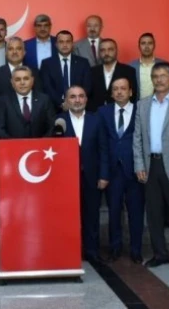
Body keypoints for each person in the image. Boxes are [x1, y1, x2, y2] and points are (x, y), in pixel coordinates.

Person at [133, 62, 169, 272]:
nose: (159, 80)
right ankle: (160, 254)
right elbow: (137, 138)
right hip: (150, 165)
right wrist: (139, 164)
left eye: (163, 76)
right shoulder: (142, 105)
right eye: (155, 76)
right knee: (154, 214)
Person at [58, 86, 108, 266]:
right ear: (66, 101)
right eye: (72, 97)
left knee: (92, 215)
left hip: (92, 177)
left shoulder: (96, 120)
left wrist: (104, 175)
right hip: (66, 179)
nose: (77, 100)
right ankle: (68, 251)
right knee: (67, 216)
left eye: (81, 96)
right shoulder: (59, 121)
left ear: (86, 99)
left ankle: (92, 251)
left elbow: (103, 149)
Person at [99, 77, 145, 264]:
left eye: (123, 88)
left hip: (135, 170)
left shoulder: (140, 110)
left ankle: (136, 250)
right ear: (111, 93)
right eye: (115, 89)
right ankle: (115, 248)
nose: (119, 92)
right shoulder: (103, 112)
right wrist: (103, 172)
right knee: (114, 212)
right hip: (112, 171)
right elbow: (102, 143)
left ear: (130, 92)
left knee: (136, 212)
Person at [0, 66, 56, 139]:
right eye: (17, 79)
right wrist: (14, 144)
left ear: (32, 80)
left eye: (26, 79)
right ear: (12, 82)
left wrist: (41, 143)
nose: (22, 83)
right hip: (12, 145)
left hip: (41, 145)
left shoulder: (44, 100)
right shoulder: (3, 101)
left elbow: (52, 126)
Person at [40, 30, 91, 112]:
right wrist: (62, 103)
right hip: (55, 109)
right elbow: (47, 87)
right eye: (61, 42)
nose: (65, 45)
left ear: (72, 44)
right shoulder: (47, 63)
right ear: (56, 44)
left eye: (68, 41)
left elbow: (87, 85)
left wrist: (75, 101)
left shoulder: (83, 62)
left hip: (79, 107)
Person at [87, 38, 138, 113]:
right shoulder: (91, 71)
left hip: (119, 114)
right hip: (96, 114)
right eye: (103, 50)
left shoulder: (128, 71)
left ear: (116, 51)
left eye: (110, 49)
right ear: (99, 53)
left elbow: (132, 95)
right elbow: (88, 95)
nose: (106, 53)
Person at [129, 32, 165, 100]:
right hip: (138, 105)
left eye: (150, 43)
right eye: (143, 43)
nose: (146, 46)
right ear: (139, 46)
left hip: (159, 104)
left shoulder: (163, 65)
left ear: (154, 45)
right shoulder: (131, 67)